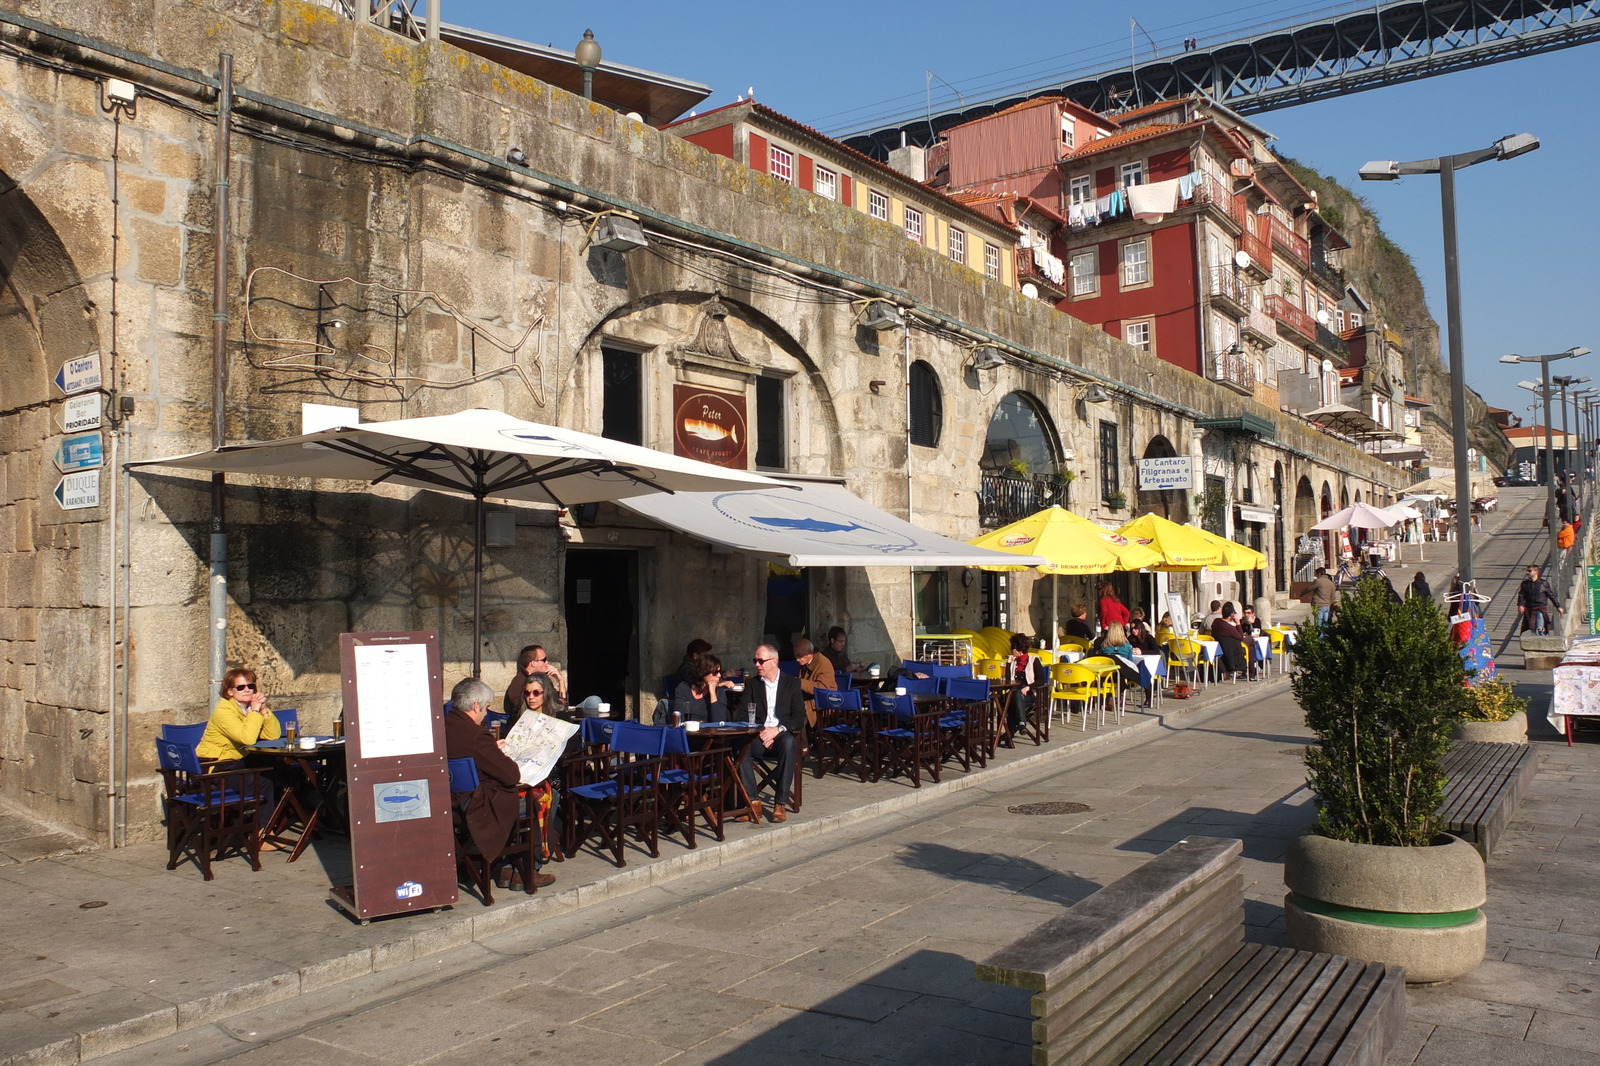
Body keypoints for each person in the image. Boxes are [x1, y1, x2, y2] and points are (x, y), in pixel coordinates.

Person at [445, 677, 554, 889]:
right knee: (537, 799)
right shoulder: (476, 734)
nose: (486, 712)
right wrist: (499, 754)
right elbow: (511, 775)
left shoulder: (446, 726)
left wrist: (492, 749)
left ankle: (506, 870)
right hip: (476, 806)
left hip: (450, 801)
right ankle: (528, 869)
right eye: (486, 707)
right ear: (476, 705)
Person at [737, 644, 805, 824]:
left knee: (789, 742)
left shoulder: (791, 683)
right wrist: (760, 731)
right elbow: (741, 714)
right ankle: (753, 801)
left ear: (774, 661)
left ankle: (780, 804)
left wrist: (777, 729)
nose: (757, 664)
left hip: (781, 735)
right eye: (755, 660)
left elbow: (799, 717)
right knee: (738, 745)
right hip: (758, 735)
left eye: (761, 660)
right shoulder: (752, 684)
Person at [197, 668, 282, 762]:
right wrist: (255, 711)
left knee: (279, 765)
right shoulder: (223, 711)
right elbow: (247, 739)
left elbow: (273, 735)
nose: (247, 690)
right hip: (218, 763)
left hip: (240, 758)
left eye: (250, 686)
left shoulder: (251, 707)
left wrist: (263, 710)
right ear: (230, 691)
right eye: (240, 687)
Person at [503, 645, 564, 718]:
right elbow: (521, 710)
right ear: (533, 663)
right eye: (544, 660)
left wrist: (561, 680)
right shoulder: (518, 684)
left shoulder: (542, 680)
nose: (547, 663)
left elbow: (560, 704)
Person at [673, 654, 733, 723]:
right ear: (703, 672)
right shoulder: (683, 688)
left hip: (710, 732)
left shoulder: (719, 692)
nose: (719, 675)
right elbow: (678, 719)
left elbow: (719, 722)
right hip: (688, 731)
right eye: (715, 672)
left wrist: (713, 694)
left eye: (720, 672)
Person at [793, 637, 837, 729]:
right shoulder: (805, 664)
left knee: (798, 717)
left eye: (799, 656)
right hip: (808, 701)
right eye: (795, 656)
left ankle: (802, 742)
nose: (797, 659)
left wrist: (799, 682)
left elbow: (822, 688)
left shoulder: (823, 663)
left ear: (809, 653)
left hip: (822, 704)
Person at [1007, 632, 1040, 738]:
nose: (1011, 650)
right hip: (1013, 694)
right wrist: (1008, 664)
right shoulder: (1013, 661)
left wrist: (1029, 687)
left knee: (1013, 703)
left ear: (1017, 649)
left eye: (1012, 647)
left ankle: (1009, 735)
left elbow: (1042, 680)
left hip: (1028, 695)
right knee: (1015, 696)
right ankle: (1021, 724)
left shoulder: (1033, 661)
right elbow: (1008, 680)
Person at [1210, 602, 1251, 680]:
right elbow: (1240, 637)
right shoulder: (1228, 627)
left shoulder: (1216, 622)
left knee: (1251, 646)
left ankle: (1249, 671)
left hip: (1221, 650)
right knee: (1251, 643)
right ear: (1232, 614)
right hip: (1233, 652)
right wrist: (1238, 623)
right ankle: (1251, 671)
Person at [1517, 565, 1563, 634]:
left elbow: (1551, 595)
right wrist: (1520, 605)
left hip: (1540, 608)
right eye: (1527, 571)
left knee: (1540, 627)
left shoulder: (1543, 583)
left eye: (1529, 571)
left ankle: (1542, 638)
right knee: (1531, 627)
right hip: (1530, 609)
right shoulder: (1525, 584)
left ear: (1536, 572)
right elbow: (1521, 595)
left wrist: (1558, 606)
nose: (1527, 572)